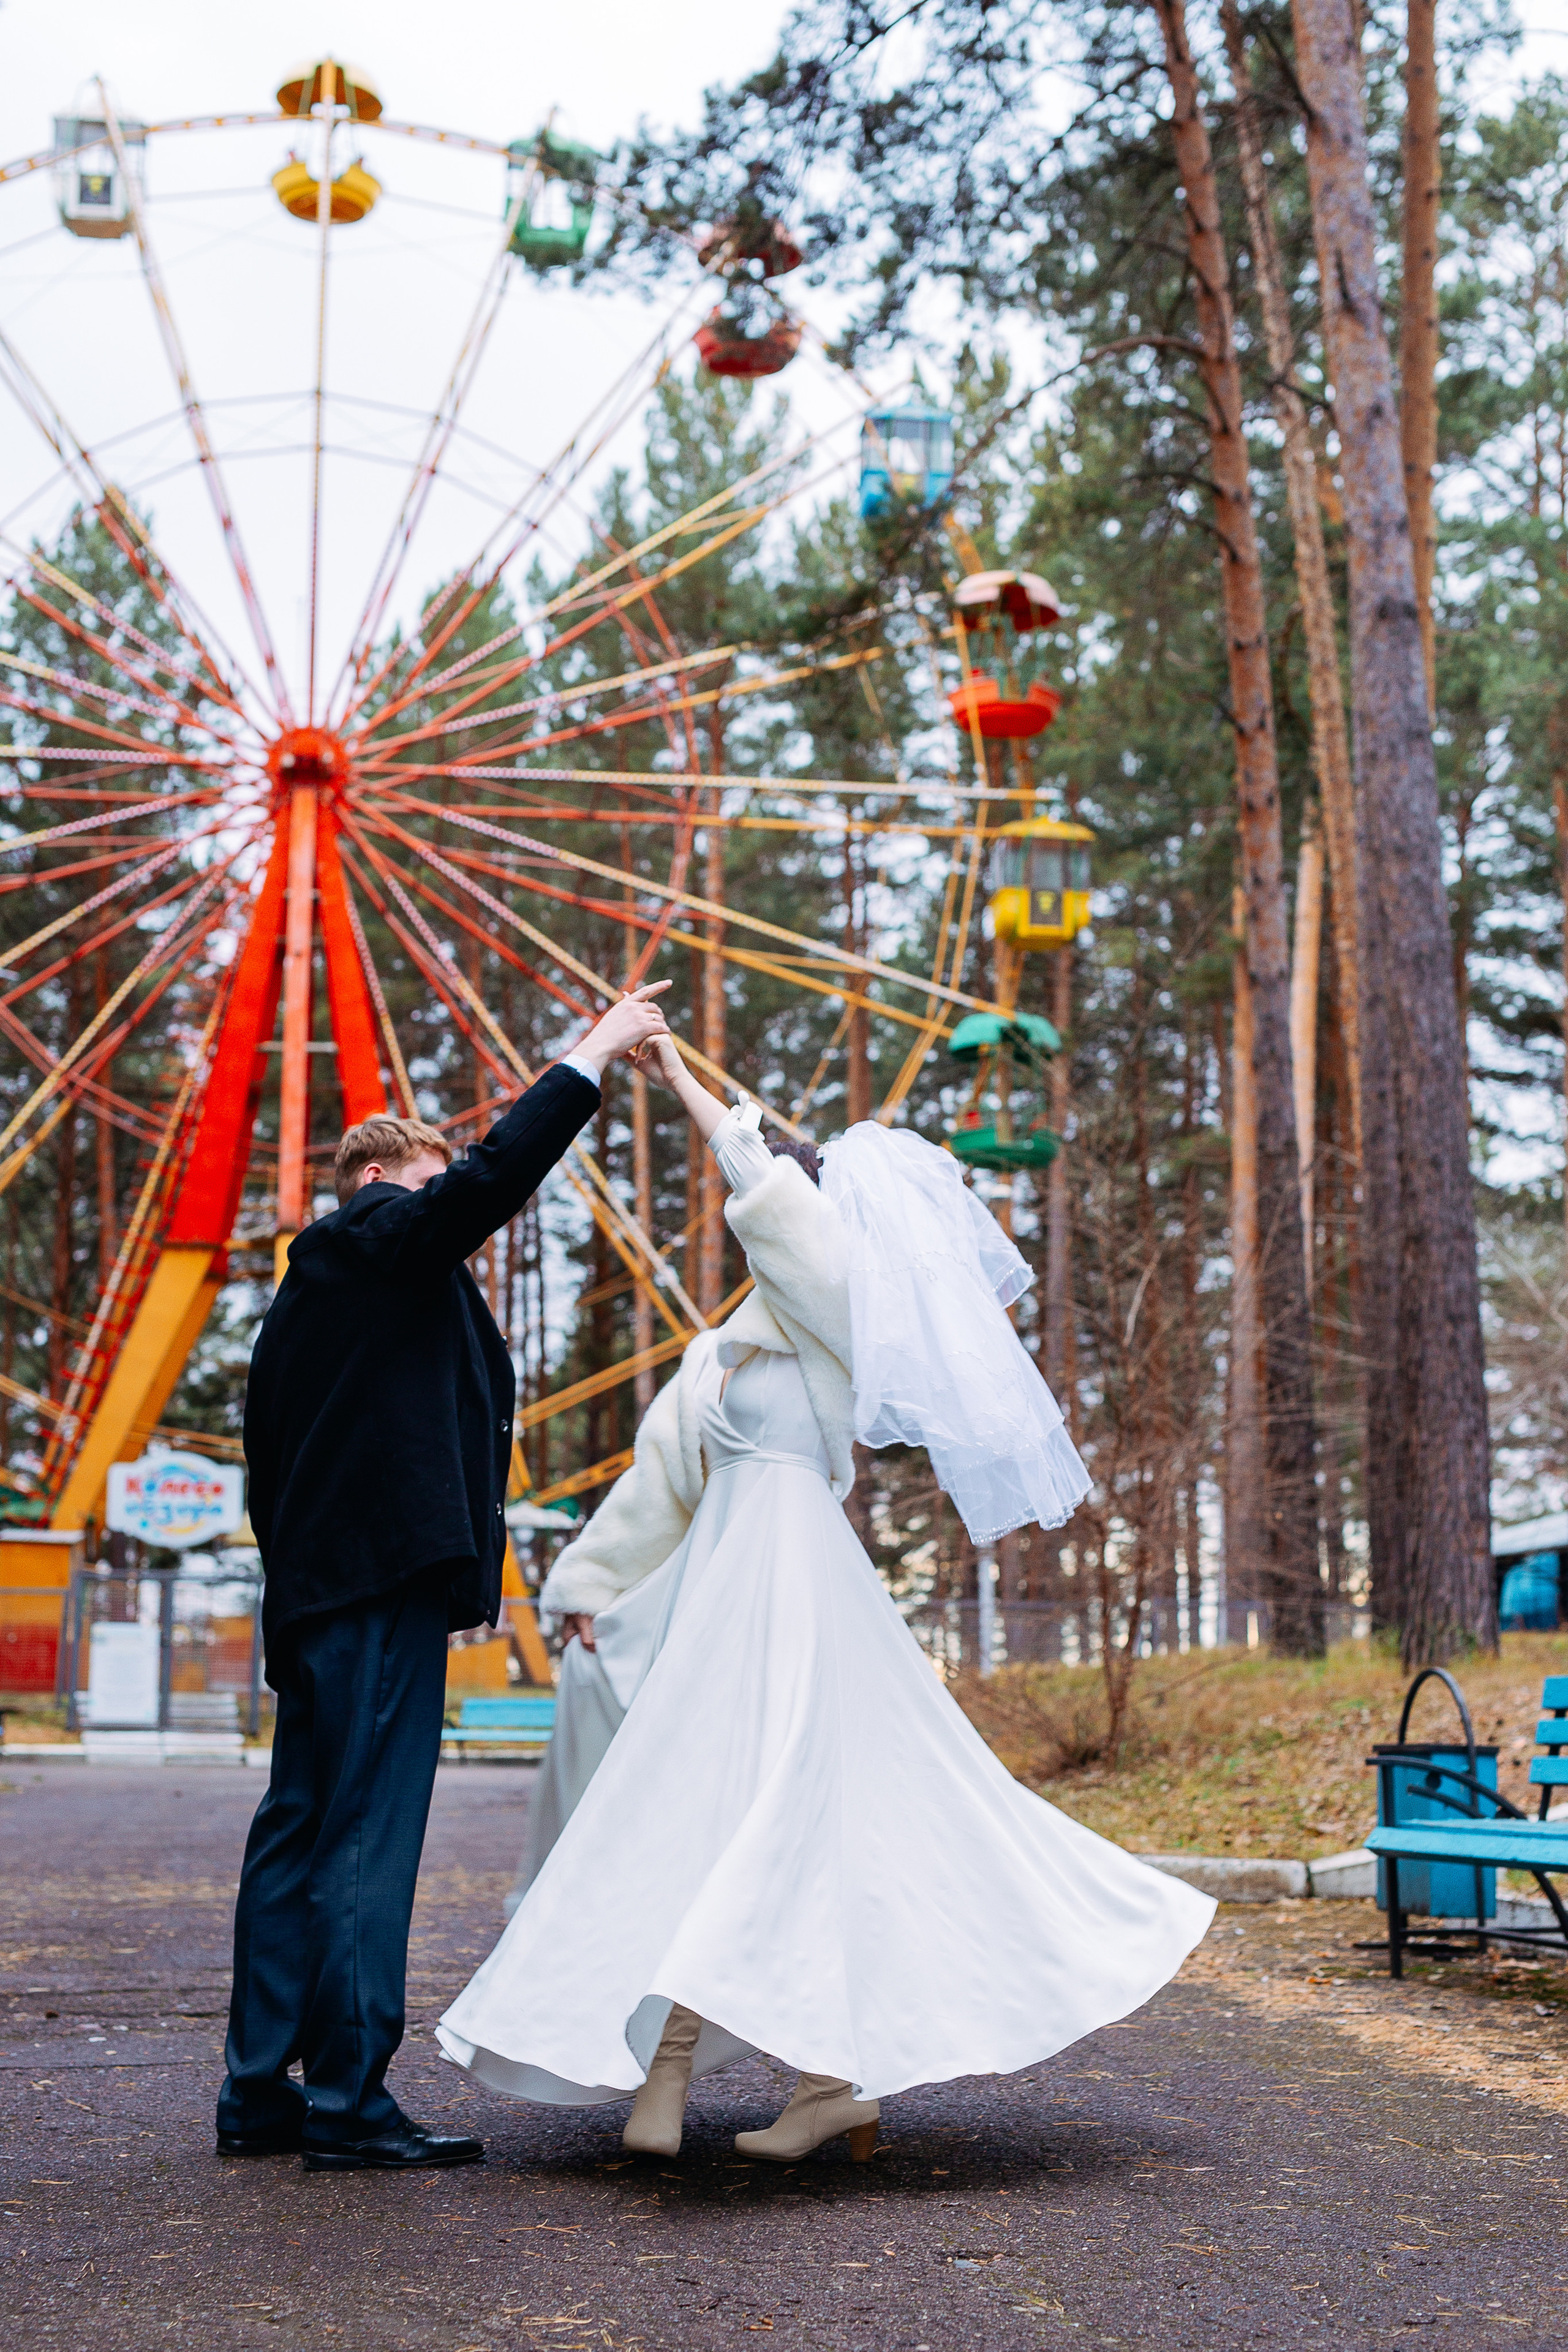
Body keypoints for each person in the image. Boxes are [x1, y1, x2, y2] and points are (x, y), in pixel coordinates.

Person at [436, 1036, 1215, 2163]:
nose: (770, 1210)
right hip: (723, 1588)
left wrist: (682, 1081)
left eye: (790, 1198)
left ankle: (813, 2080)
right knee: (698, 1804)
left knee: (782, 1809)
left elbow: (763, 1189)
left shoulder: (847, 1319)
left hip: (796, 1587)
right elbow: (660, 1481)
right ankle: (716, 2075)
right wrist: (591, 1586)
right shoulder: (724, 1356)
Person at [216, 984, 671, 2173]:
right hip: (376, 1589)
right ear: (401, 1178)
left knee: (300, 1830)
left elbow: (269, 1459)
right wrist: (590, 1056)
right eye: (438, 1177)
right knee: (368, 1833)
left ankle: (261, 2089)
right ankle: (349, 2099)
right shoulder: (375, 1239)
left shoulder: (315, 1297)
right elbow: (484, 1181)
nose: (458, 1201)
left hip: (318, 1595)